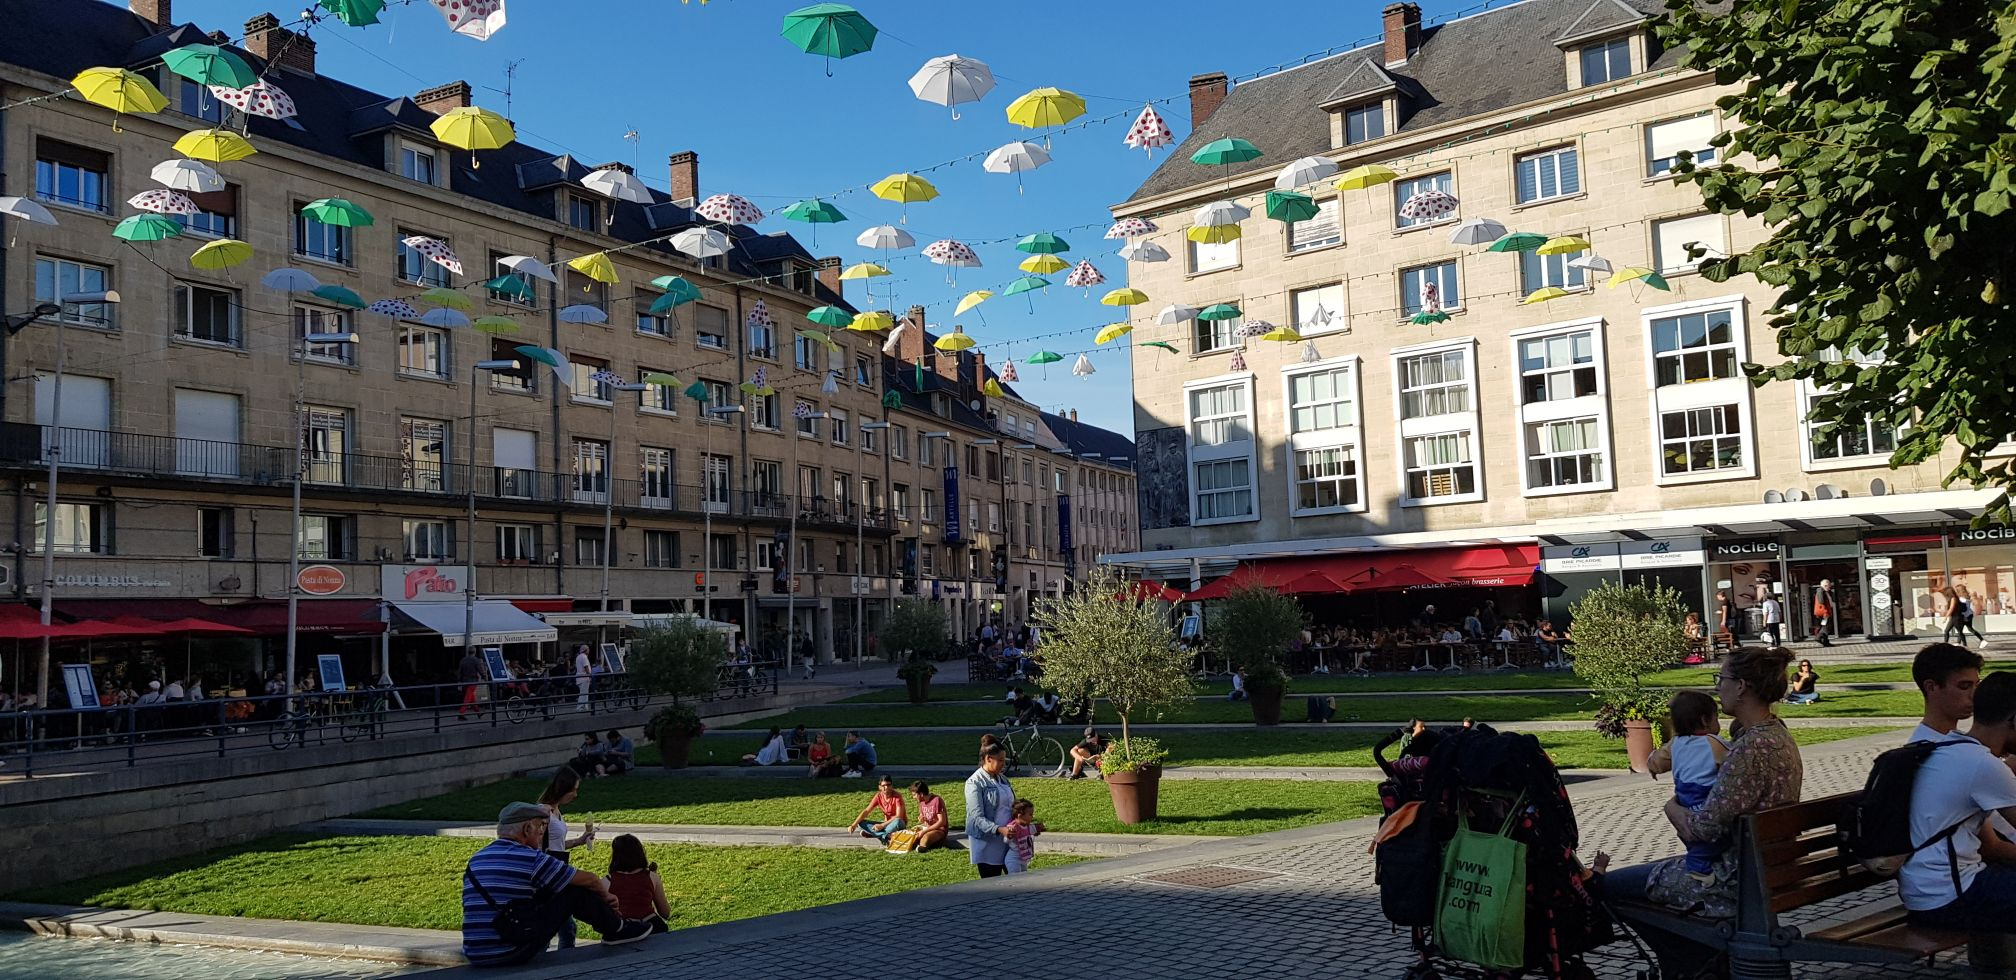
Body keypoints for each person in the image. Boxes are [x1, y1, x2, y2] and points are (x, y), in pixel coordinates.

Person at [1600, 646, 1801, 926]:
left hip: (1734, 880)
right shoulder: (1776, 732)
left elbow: (1703, 830)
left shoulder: (1751, 748)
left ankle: (1693, 962)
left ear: (1741, 687)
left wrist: (1671, 807)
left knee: (1607, 886)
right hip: (1770, 867)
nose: (1718, 689)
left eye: (1721, 679)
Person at [1899, 646, 2016, 931]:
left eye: (1976, 686)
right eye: (1965, 686)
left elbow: (1991, 844)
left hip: (1932, 890)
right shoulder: (1977, 763)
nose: (1973, 697)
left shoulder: (1953, 751)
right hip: (1950, 895)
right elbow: (1994, 845)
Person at [461, 802, 653, 967]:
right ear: (527, 829)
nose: (543, 833)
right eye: (542, 826)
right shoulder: (530, 858)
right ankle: (617, 929)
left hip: (476, 953)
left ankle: (615, 927)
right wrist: (608, 897)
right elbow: (589, 879)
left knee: (557, 884)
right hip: (511, 949)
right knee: (572, 888)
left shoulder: (476, 859)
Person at [1648, 690, 1730, 882]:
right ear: (1704, 721)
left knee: (1691, 830)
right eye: (1716, 717)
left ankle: (1698, 857)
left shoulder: (1675, 743)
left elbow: (1658, 762)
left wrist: (1652, 766)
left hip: (1684, 795)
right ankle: (1699, 867)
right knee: (1718, 835)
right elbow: (1734, 759)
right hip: (1705, 793)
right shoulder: (1713, 743)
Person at [538, 768, 599, 950]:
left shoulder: (556, 810)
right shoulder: (543, 811)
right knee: (559, 926)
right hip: (548, 873)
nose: (575, 795)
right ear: (562, 788)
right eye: (573, 790)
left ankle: (561, 962)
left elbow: (557, 844)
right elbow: (537, 844)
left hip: (558, 868)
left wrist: (580, 840)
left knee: (565, 926)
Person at [965, 741, 1017, 878]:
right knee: (993, 882)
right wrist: (999, 829)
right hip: (987, 843)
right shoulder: (974, 782)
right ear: (988, 759)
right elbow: (976, 817)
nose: (1003, 764)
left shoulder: (1003, 779)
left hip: (1008, 840)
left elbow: (1012, 806)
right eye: (1000, 760)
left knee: (1017, 880)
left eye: (1004, 760)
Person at [601, 833, 671, 933]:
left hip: (622, 930)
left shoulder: (606, 882)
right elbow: (665, 913)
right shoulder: (652, 877)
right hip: (652, 927)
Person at [847, 774, 907, 843]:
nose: (886, 787)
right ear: (879, 787)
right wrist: (853, 825)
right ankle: (885, 835)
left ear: (892, 786)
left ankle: (876, 834)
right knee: (860, 823)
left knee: (898, 821)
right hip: (885, 825)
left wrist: (881, 825)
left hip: (896, 824)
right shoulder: (878, 796)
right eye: (884, 786)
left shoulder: (897, 796)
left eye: (888, 785)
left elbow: (898, 816)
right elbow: (866, 811)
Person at [1004, 798, 1043, 874]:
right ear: (1019, 815)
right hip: (1013, 859)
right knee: (1015, 879)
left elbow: (1035, 829)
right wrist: (1009, 836)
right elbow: (1006, 840)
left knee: (1023, 878)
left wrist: (1040, 828)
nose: (1032, 817)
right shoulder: (1013, 827)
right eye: (1030, 814)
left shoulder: (1027, 826)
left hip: (1023, 859)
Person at [910, 780, 950, 852]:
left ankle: (922, 847)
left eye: (914, 795)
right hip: (928, 828)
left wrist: (924, 831)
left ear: (921, 794)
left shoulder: (936, 800)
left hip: (939, 830)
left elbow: (942, 822)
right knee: (911, 834)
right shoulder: (921, 803)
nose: (913, 798)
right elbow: (925, 819)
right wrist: (922, 818)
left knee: (926, 837)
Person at [1958, 585, 1992, 649]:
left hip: (1966, 615)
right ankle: (1959, 643)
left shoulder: (1962, 597)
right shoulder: (1966, 595)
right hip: (1969, 614)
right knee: (1965, 629)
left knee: (1963, 629)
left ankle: (1963, 644)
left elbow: (1964, 607)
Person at [458, 648, 485, 720]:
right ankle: (461, 713)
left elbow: (460, 672)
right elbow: (480, 670)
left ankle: (478, 712)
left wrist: (459, 681)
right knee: (467, 699)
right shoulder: (476, 660)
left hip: (464, 681)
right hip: (472, 681)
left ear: (468, 652)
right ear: (475, 652)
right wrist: (484, 677)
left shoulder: (463, 660)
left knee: (471, 698)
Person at [1810, 579, 1836, 646]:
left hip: (1824, 612)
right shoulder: (1821, 591)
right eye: (1829, 586)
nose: (1830, 587)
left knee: (1825, 626)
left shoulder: (1825, 592)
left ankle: (1825, 641)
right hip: (1823, 612)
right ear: (1825, 585)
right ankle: (1819, 637)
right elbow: (1821, 602)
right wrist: (1826, 612)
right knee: (1825, 627)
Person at [573, 644, 593, 711]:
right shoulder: (584, 657)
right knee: (583, 693)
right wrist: (590, 676)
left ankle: (585, 707)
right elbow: (586, 667)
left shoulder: (578, 657)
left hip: (579, 677)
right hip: (584, 677)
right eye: (588, 649)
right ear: (585, 650)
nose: (589, 651)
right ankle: (579, 707)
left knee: (584, 692)